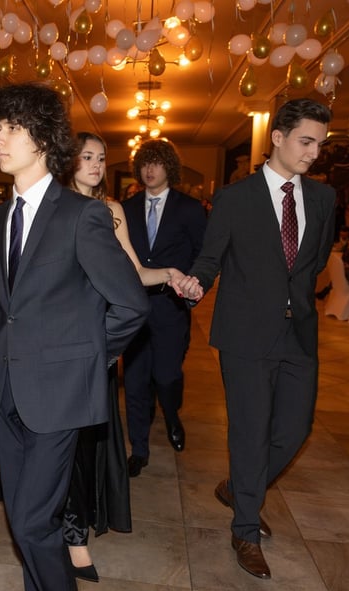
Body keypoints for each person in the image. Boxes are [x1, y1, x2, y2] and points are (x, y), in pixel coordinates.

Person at [0, 83, 150, 591]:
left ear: (43, 138)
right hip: (7, 393)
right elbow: (15, 311)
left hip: (60, 396)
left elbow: (132, 305)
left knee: (29, 521)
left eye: (11, 128)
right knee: (32, 526)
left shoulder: (82, 215)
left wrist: (83, 362)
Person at [177, 98, 336, 580]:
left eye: (320, 144)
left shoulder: (324, 199)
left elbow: (314, 261)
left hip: (299, 332)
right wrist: (197, 284)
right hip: (245, 333)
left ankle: (238, 488)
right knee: (250, 433)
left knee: (296, 428)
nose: (313, 153)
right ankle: (245, 528)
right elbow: (211, 258)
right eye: (306, 141)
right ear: (279, 137)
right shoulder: (235, 198)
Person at [62, 132, 199, 582]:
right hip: (55, 337)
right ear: (68, 160)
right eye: (86, 156)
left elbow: (135, 273)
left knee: (85, 440)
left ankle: (77, 528)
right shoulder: (52, 206)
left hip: (96, 338)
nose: (96, 165)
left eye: (101, 158)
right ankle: (55, 521)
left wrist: (172, 274)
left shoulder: (113, 211)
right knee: (55, 437)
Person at [122, 139, 207, 475]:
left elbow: (202, 254)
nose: (150, 169)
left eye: (156, 163)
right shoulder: (126, 209)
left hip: (171, 306)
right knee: (135, 380)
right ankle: (139, 449)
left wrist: (191, 287)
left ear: (169, 167)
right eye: (145, 163)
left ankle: (171, 414)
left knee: (167, 375)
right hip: (134, 307)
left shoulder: (189, 209)